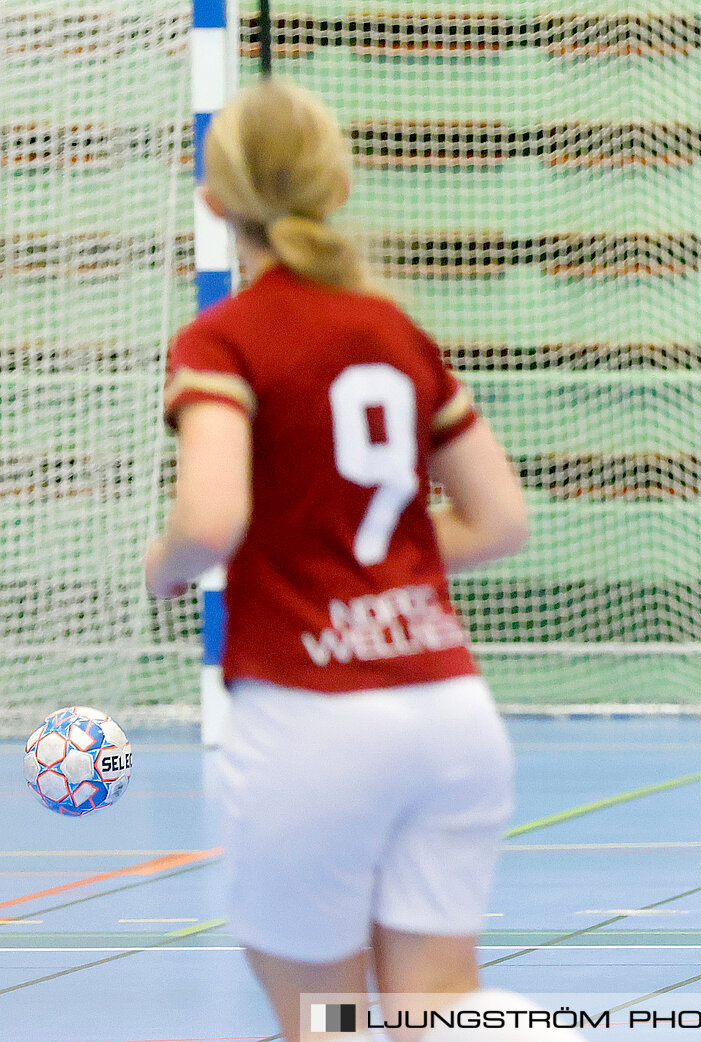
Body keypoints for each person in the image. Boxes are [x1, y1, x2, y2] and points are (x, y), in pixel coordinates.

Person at [143, 80, 574, 1042]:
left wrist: (165, 564)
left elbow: (211, 519)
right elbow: (502, 521)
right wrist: (394, 567)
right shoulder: (395, 331)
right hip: (448, 714)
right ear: (338, 188)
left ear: (213, 204)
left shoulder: (225, 339)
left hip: (313, 718)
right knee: (434, 1020)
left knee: (327, 1030)